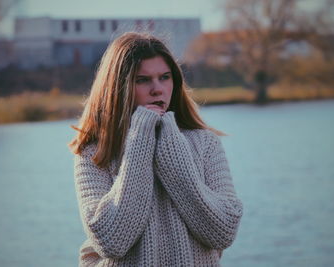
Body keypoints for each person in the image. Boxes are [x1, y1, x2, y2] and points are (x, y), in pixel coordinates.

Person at [69, 32, 243, 266]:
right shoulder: (94, 153)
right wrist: (140, 139)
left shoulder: (205, 143)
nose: (157, 89)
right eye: (142, 80)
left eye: (164, 77)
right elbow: (111, 241)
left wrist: (172, 150)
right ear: (117, 88)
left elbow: (223, 232)